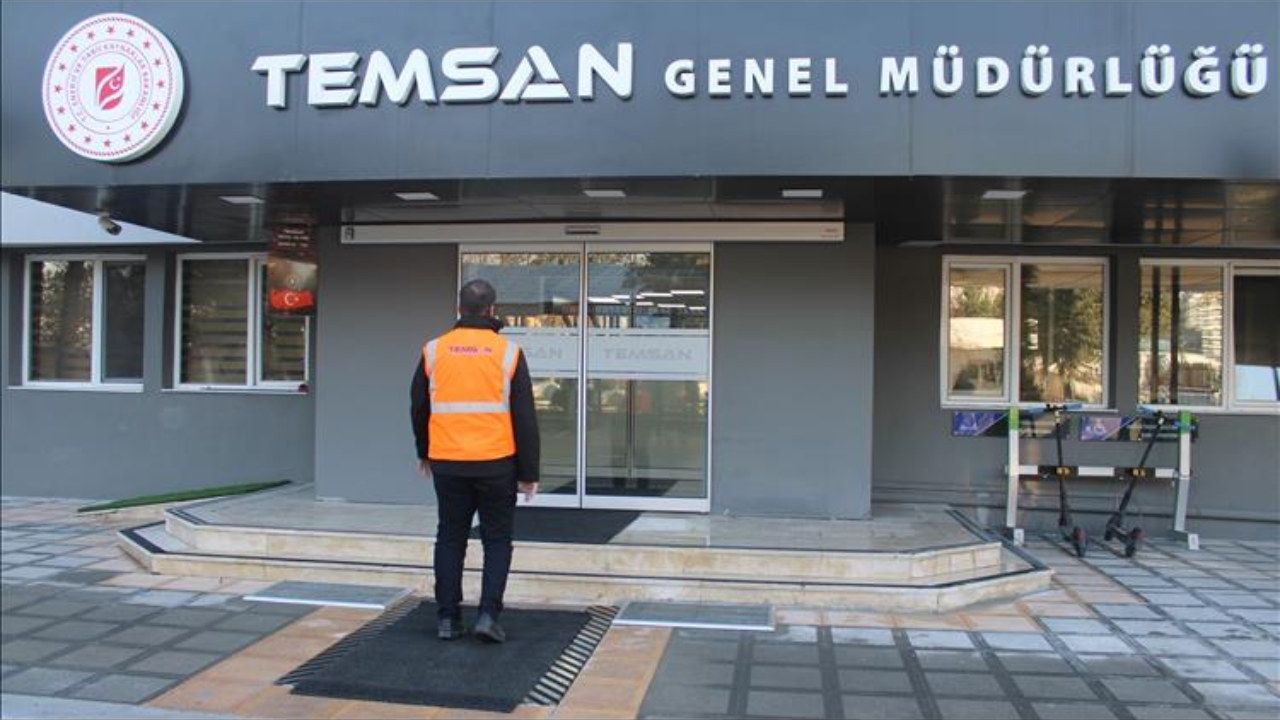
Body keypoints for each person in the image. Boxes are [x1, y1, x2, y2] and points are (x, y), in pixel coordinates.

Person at [411, 279, 540, 643]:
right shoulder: (508, 353)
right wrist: (529, 472)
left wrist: (424, 451)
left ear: (459, 308)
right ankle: (487, 616)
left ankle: (448, 618)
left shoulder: (434, 350)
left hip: (448, 461)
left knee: (450, 538)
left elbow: (418, 406)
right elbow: (525, 417)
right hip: (496, 463)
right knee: (496, 540)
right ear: (492, 310)